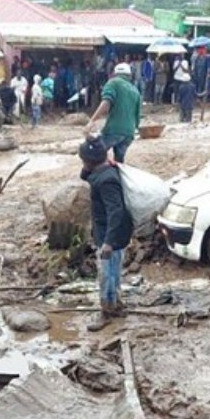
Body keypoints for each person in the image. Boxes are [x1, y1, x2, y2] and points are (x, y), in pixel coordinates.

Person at [78, 140, 133, 332]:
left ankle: (107, 312)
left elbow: (115, 211)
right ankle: (116, 304)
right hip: (112, 233)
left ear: (90, 161)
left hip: (112, 236)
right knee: (113, 272)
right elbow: (84, 176)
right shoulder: (102, 171)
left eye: (83, 160)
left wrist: (108, 242)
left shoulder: (107, 179)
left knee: (107, 274)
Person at [84, 63, 142, 164]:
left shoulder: (113, 83)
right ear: (129, 75)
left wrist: (92, 120)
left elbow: (106, 103)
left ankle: (93, 176)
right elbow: (137, 117)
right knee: (119, 162)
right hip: (129, 133)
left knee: (95, 154)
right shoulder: (135, 90)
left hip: (114, 130)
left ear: (114, 74)